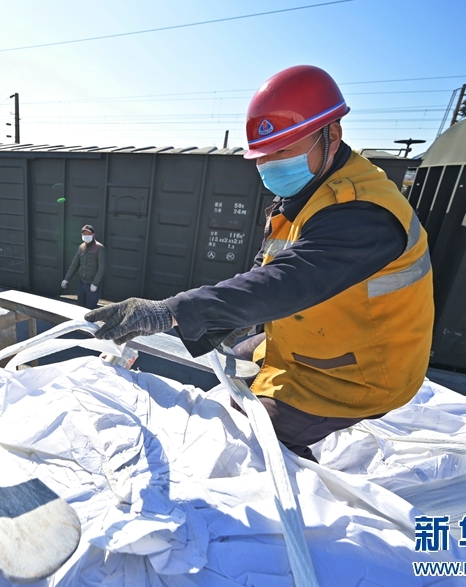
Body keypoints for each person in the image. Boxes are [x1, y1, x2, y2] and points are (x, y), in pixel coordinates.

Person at [85, 65, 434, 462]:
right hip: (313, 344)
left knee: (256, 437)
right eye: (263, 156)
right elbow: (262, 271)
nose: (269, 165)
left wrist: (170, 312)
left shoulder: (362, 213)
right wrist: (230, 322)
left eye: (282, 150)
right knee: (232, 369)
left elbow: (287, 282)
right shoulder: (305, 194)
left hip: (359, 373)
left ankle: (312, 505)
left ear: (331, 135)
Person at [61, 224, 106, 310]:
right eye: (84, 234)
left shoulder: (99, 248)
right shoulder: (81, 247)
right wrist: (66, 279)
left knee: (90, 309)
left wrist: (95, 284)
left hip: (92, 285)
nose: (86, 236)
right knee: (80, 307)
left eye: (88, 234)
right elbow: (74, 264)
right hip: (82, 283)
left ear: (93, 235)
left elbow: (101, 268)